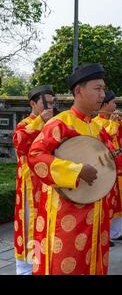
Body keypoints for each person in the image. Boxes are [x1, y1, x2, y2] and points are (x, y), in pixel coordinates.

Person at [28, 63, 122, 275]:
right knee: (64, 265)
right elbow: (35, 157)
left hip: (97, 216)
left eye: (103, 89)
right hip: (66, 215)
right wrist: (75, 170)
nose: (102, 94)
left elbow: (115, 165)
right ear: (78, 91)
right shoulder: (60, 124)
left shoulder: (98, 129)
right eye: (97, 88)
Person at [13, 85, 54, 275]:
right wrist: (40, 121)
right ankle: (25, 269)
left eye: (54, 103)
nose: (51, 107)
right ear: (33, 104)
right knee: (30, 225)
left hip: (48, 183)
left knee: (45, 225)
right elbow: (19, 141)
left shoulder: (53, 124)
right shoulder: (24, 124)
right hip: (31, 185)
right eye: (47, 103)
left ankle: (39, 265)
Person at [93, 90, 122, 245]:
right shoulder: (97, 122)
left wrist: (121, 117)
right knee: (108, 201)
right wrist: (114, 122)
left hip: (121, 165)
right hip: (108, 167)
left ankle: (115, 233)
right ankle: (105, 235)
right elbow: (109, 135)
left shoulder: (117, 119)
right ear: (105, 104)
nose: (115, 105)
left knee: (119, 200)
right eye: (113, 103)